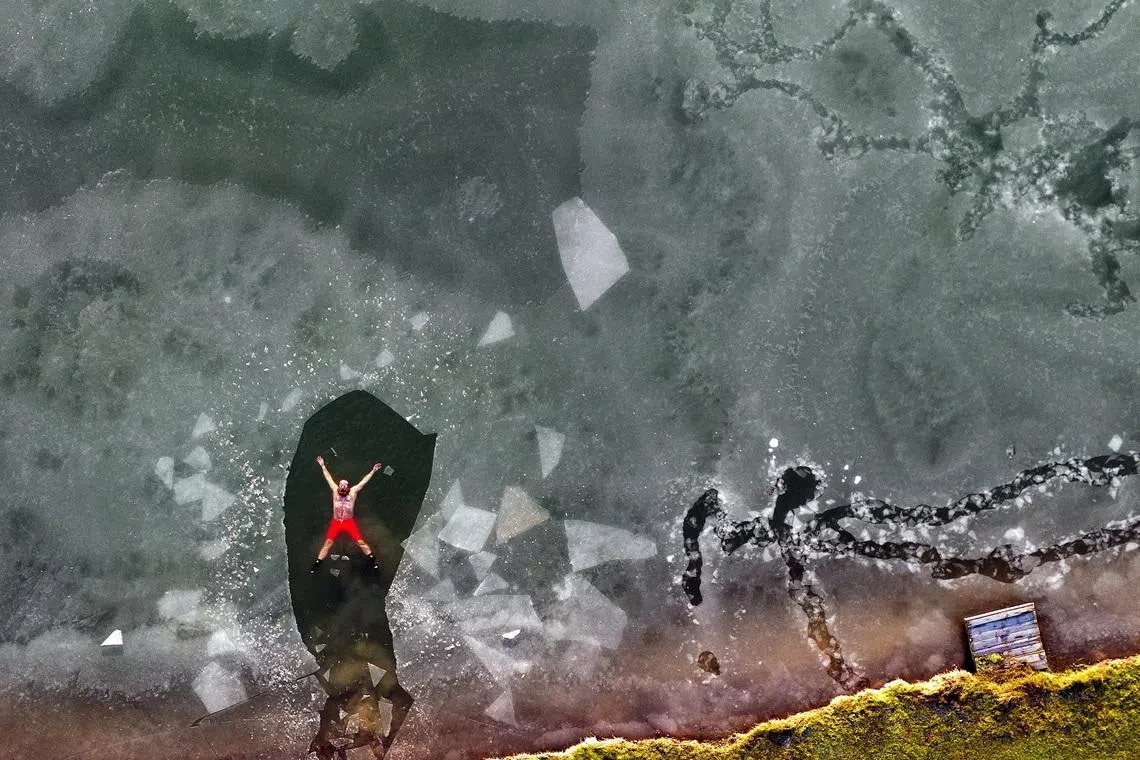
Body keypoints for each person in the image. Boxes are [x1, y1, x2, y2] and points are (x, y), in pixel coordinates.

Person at [310, 456, 383, 573]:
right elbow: (328, 477)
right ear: (339, 486)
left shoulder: (353, 492)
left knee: (360, 542)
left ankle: (373, 559)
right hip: (336, 522)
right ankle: (317, 564)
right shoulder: (335, 491)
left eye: (345, 485)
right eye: (341, 485)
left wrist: (373, 471)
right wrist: (322, 465)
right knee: (328, 543)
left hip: (349, 522)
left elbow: (363, 481)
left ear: (348, 486)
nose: (342, 486)